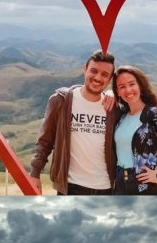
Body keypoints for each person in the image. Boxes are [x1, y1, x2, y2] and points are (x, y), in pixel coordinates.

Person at [30, 50, 118, 195]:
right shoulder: (61, 101)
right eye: (93, 71)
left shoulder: (113, 108)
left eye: (104, 74)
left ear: (110, 79)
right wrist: (34, 174)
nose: (97, 77)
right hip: (70, 187)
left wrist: (113, 94)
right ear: (85, 69)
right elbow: (45, 141)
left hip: (106, 188)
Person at [112, 65, 157, 195]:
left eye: (131, 84)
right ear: (117, 91)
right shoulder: (121, 115)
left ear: (140, 85)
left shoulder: (153, 115)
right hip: (120, 182)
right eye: (122, 86)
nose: (128, 90)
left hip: (145, 185)